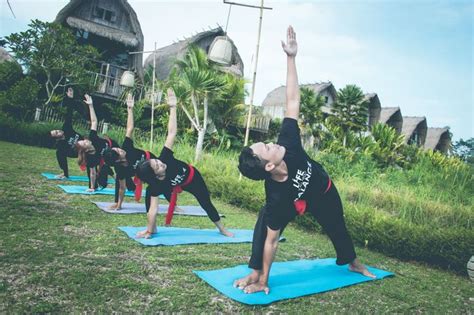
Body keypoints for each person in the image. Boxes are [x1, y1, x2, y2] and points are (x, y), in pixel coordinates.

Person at [234, 26, 376, 295]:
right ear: (268, 166)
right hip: (290, 203)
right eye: (266, 147)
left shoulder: (288, 143)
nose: (272, 142)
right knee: (266, 221)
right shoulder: (276, 197)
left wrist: (291, 58)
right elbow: (272, 242)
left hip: (322, 191)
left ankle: (354, 262)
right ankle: (257, 272)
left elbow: (292, 100)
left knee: (338, 227)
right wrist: (265, 279)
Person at [135, 89, 233, 239]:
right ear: (155, 176)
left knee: (206, 203)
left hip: (192, 178)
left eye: (157, 161)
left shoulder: (165, 158)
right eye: (158, 167)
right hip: (171, 185)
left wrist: (173, 107)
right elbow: (154, 210)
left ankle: (222, 228)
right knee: (149, 196)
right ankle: (151, 229)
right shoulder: (155, 186)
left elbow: (172, 132)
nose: (161, 164)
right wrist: (148, 230)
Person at [103, 93, 157, 209]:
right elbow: (122, 188)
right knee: (120, 180)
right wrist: (119, 205)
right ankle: (117, 202)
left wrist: (130, 109)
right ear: (117, 160)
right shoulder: (120, 169)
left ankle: (174, 204)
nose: (121, 150)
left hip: (150, 159)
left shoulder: (126, 147)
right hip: (139, 171)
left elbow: (130, 128)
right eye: (119, 152)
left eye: (117, 149)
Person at [75, 94, 119, 191]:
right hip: (105, 161)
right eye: (85, 143)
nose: (86, 141)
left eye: (84, 140)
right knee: (102, 184)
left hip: (113, 147)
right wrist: (91, 188)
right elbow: (92, 173)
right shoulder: (90, 158)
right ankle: (97, 183)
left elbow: (94, 121)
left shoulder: (92, 138)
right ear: (86, 149)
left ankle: (125, 182)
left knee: (120, 165)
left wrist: (90, 105)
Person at [50, 87, 84, 179]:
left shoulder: (66, 128)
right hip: (77, 152)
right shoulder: (61, 145)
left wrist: (70, 98)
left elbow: (69, 113)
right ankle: (65, 173)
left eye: (56, 130)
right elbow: (63, 155)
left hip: (86, 143)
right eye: (57, 133)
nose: (59, 130)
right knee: (59, 153)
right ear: (57, 138)